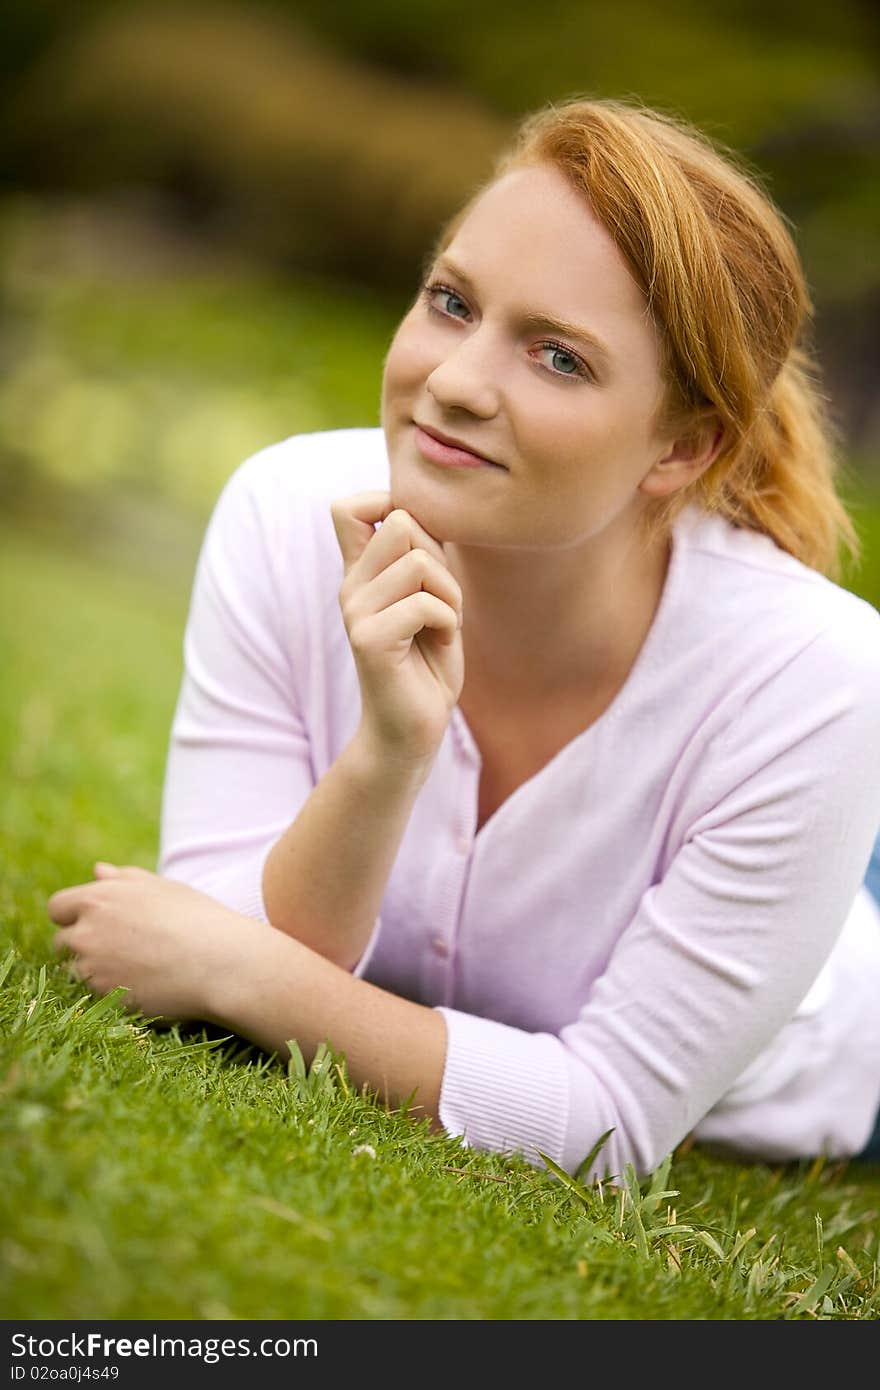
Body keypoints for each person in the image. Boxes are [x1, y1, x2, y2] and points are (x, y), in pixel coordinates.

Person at [48, 96, 880, 1181]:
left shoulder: (816, 673)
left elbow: (608, 1123)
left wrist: (249, 977)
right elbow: (212, 946)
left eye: (559, 358)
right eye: (451, 301)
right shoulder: (284, 509)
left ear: (681, 447)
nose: (452, 382)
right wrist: (389, 750)